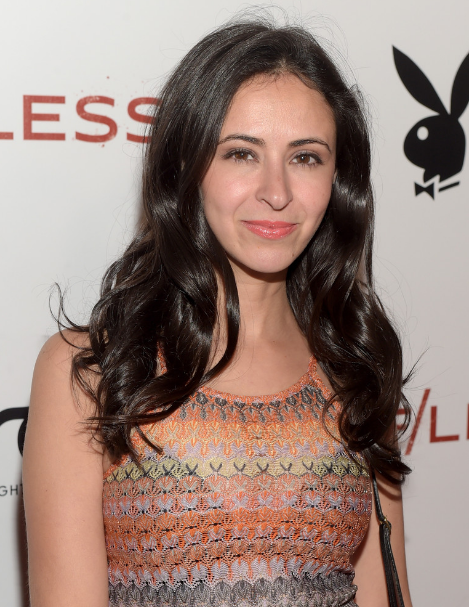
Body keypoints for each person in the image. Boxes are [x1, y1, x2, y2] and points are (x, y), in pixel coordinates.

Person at [23, 16, 413, 607]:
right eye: (241, 154)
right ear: (185, 165)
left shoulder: (354, 364)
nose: (277, 192)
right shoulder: (93, 373)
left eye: (306, 157)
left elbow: (387, 591)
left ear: (339, 180)